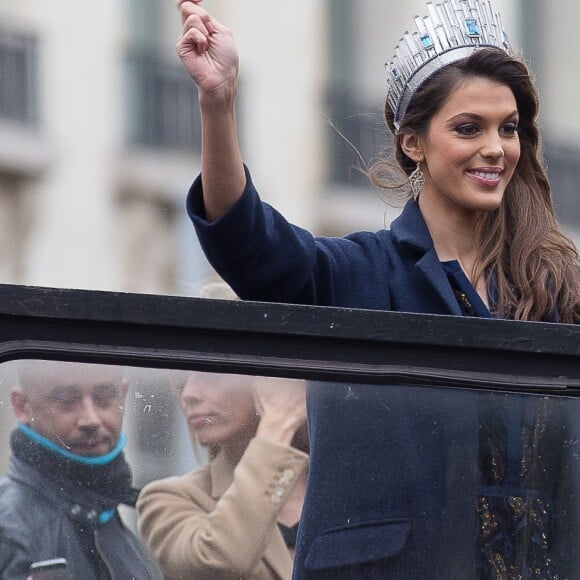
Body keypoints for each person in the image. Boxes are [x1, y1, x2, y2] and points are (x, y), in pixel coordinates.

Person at [175, 0, 580, 577]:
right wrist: (218, 102)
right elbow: (248, 244)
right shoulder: (359, 272)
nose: (496, 147)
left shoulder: (551, 288)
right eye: (469, 128)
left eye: (508, 129)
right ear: (413, 142)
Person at [137, 372, 309, 579]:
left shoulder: (342, 486)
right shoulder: (168, 498)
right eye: (182, 382)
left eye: (211, 375)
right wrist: (278, 423)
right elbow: (219, 561)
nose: (188, 395)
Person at [0, 360, 161, 579]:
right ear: (22, 406)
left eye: (104, 399)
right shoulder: (8, 531)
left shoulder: (109, 515)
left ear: (123, 396)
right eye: (67, 402)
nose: (91, 419)